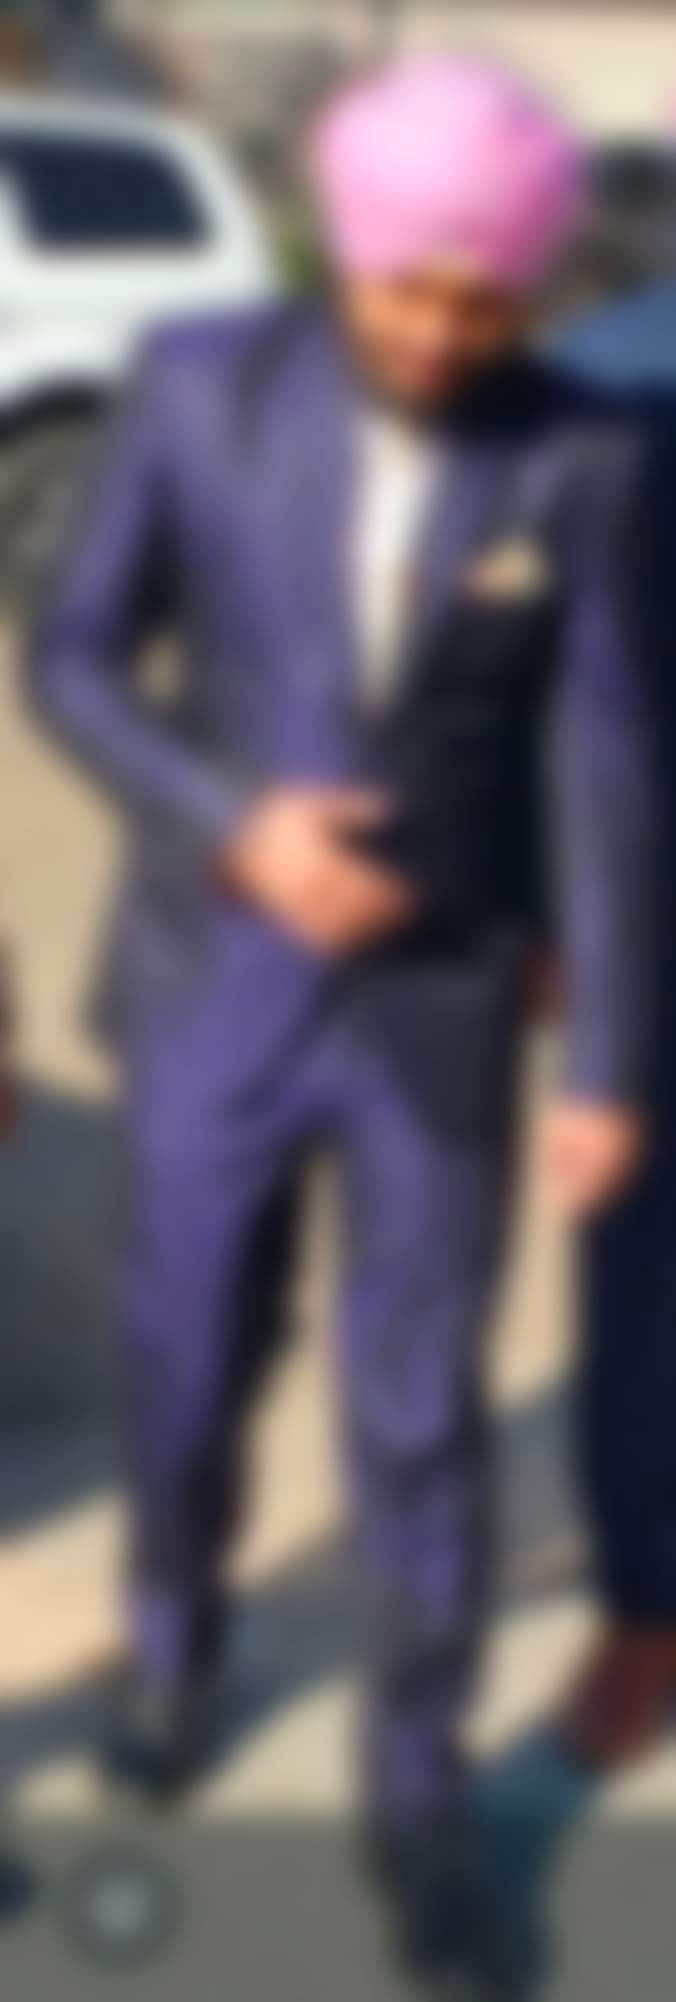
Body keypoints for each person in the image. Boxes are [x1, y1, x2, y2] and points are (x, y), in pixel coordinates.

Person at [28, 56, 655, 1986]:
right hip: (213, 990)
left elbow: (605, 755)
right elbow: (70, 653)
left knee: (421, 1412)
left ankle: (415, 1790)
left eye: (486, 302)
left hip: (440, 1015)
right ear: (346, 248)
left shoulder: (578, 449)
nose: (443, 335)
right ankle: (169, 1645)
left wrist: (611, 1057)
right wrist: (232, 825)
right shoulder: (199, 384)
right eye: (407, 290)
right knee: (186, 1356)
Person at [549, 270, 676, 1771]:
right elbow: (536, 672)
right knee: (642, 1279)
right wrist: (543, 907)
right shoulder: (611, 373)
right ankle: (647, 1609)